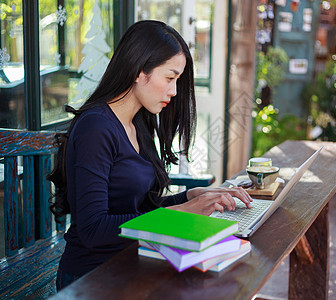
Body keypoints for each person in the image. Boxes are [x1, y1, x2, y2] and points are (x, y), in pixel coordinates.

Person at [47, 20, 252, 291]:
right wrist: (180, 212)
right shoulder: (96, 128)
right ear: (138, 70)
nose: (174, 91)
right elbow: (93, 229)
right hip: (91, 279)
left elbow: (139, 210)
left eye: (177, 80)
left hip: (132, 264)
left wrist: (190, 197)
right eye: (170, 77)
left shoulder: (137, 124)